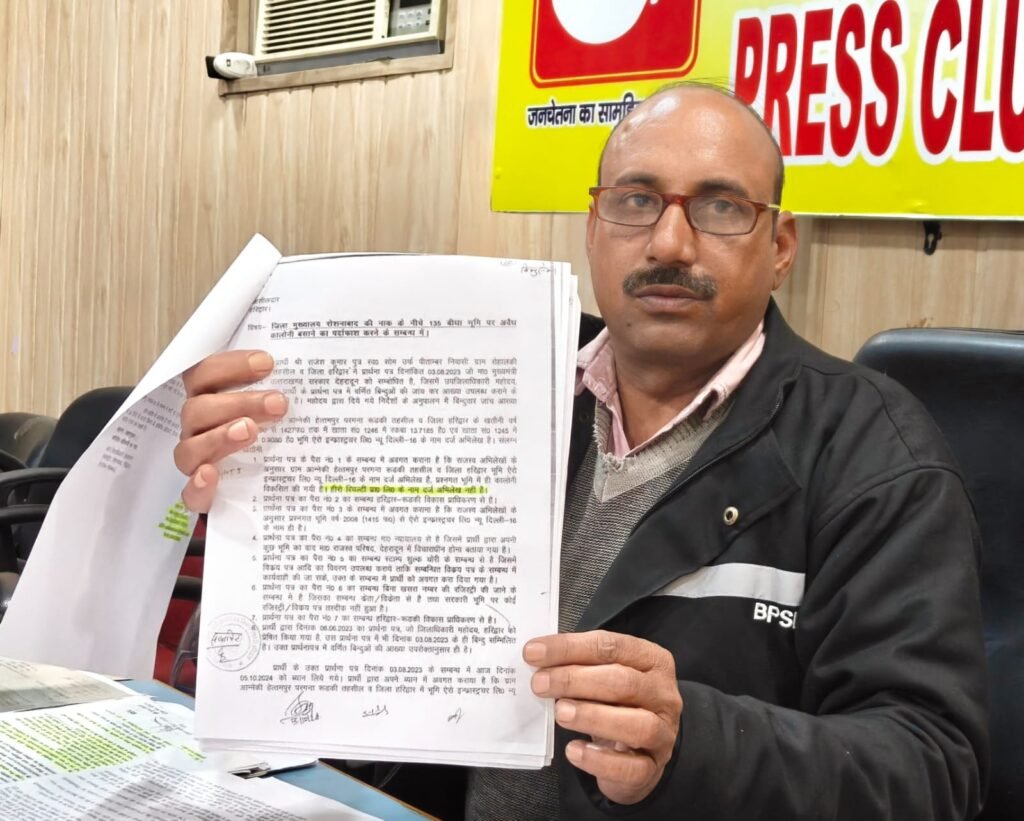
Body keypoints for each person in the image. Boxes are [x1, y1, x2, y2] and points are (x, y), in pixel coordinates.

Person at [174, 83, 988, 819]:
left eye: (719, 207)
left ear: (780, 246)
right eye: (636, 201)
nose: (670, 242)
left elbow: (933, 766)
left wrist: (695, 744)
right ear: (595, 227)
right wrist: (267, 505)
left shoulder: (874, 452)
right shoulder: (488, 390)